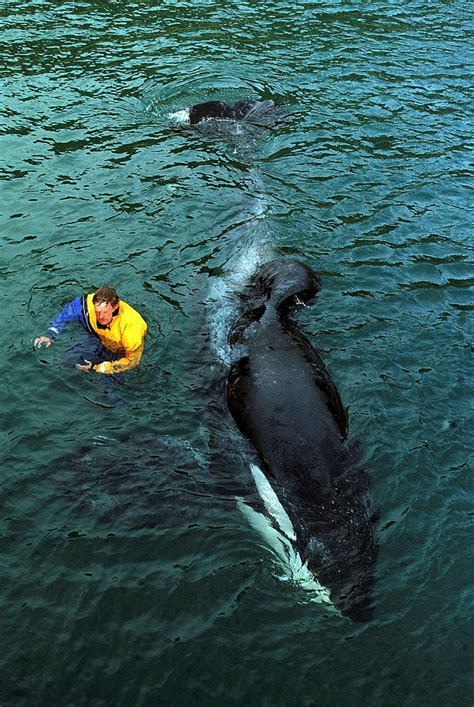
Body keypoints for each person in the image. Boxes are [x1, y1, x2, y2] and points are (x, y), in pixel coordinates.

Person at [34, 286, 147, 374]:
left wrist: (96, 368)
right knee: (67, 360)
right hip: (98, 338)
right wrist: (51, 333)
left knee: (109, 387)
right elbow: (70, 310)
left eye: (105, 312)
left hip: (120, 352)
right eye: (97, 312)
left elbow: (132, 361)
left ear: (116, 306)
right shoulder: (89, 304)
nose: (101, 317)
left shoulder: (131, 327)